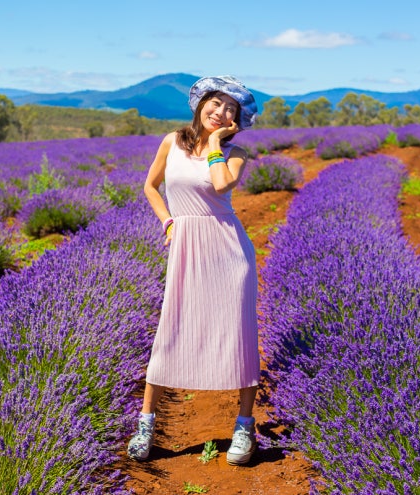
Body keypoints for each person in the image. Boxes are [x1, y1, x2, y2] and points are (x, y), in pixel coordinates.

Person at [128, 75, 260, 465]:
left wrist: (216, 144)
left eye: (230, 110)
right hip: (186, 246)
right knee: (171, 330)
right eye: (215, 104)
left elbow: (221, 186)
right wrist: (168, 221)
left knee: (238, 334)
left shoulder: (234, 154)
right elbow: (151, 186)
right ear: (200, 104)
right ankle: (146, 424)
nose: (220, 113)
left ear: (236, 121)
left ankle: (244, 427)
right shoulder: (171, 141)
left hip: (228, 251)